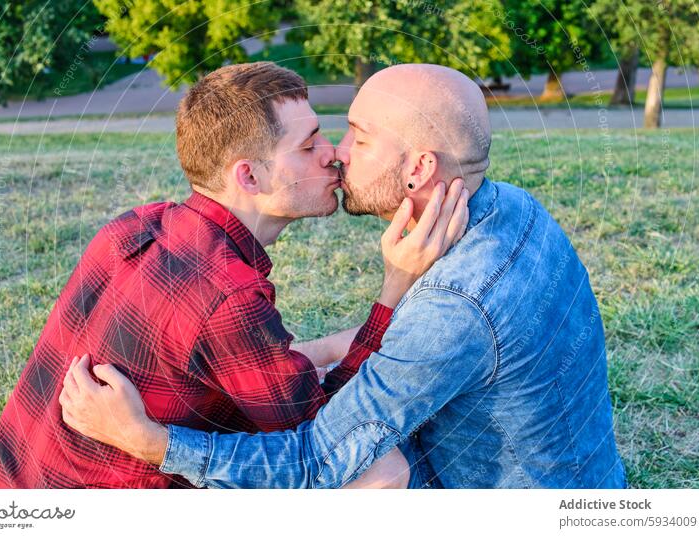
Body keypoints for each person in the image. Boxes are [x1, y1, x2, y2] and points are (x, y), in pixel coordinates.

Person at [60, 64, 627, 489]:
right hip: (576, 476)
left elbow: (314, 462)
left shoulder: (456, 301)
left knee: (376, 476)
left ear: (419, 168)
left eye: (360, 136)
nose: (339, 155)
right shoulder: (516, 209)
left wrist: (151, 442)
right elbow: (390, 357)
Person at [0, 62, 469, 489]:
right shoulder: (227, 294)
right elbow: (324, 443)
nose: (333, 154)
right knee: (380, 475)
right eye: (308, 146)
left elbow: (215, 365)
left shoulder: (135, 225)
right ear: (249, 178)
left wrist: (321, 351)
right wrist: (395, 285)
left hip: (15, 481)